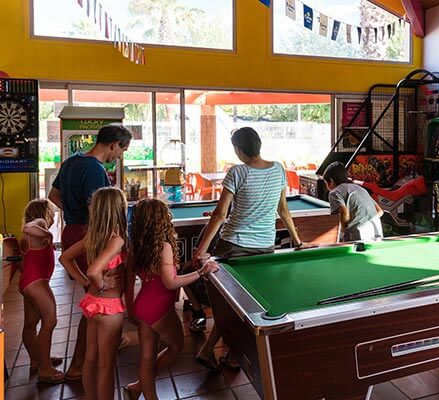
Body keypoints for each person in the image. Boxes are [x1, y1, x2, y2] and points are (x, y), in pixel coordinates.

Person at [191, 127, 304, 369]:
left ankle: (215, 350)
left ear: (239, 149)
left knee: (229, 305)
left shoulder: (237, 172)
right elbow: (283, 209)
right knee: (247, 306)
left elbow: (220, 214)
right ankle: (224, 353)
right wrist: (296, 240)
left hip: (233, 244)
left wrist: (201, 250)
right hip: (264, 248)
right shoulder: (278, 169)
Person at [47, 123, 132, 381]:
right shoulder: (95, 171)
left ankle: (104, 341)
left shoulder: (72, 162)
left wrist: (73, 214)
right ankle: (78, 365)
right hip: (89, 235)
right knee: (95, 301)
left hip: (73, 231)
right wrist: (97, 229)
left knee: (93, 299)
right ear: (113, 145)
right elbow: (100, 212)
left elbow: (53, 195)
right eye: (122, 150)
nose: (120, 156)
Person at [123, 198, 218, 399]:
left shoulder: (136, 247)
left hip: (142, 306)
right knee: (176, 347)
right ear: (162, 220)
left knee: (147, 358)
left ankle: (140, 388)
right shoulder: (163, 246)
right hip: (158, 308)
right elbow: (170, 282)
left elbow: (129, 283)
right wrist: (202, 271)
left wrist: (131, 310)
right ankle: (141, 387)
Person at [60, 187, 129, 400]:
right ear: (119, 209)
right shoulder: (116, 240)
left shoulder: (93, 235)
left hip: (92, 304)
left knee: (90, 359)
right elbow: (93, 271)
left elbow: (65, 258)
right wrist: (99, 283)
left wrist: (85, 283)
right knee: (107, 365)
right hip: (109, 308)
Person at [19, 199, 64, 384]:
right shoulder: (39, 224)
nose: (53, 217)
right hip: (37, 283)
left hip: (27, 283)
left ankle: (37, 360)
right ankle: (45, 368)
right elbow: (28, 227)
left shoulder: (31, 238)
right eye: (52, 213)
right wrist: (49, 235)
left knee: (30, 323)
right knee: (50, 320)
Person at [322, 161, 384, 242]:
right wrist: (366, 221)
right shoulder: (360, 188)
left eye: (326, 183)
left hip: (358, 236)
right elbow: (380, 211)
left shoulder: (334, 192)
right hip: (376, 233)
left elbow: (344, 212)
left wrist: (342, 231)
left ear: (331, 181)